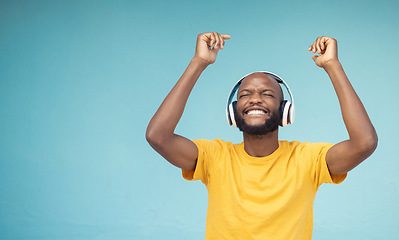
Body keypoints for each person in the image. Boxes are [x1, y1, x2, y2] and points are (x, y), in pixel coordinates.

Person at [145, 32, 378, 240]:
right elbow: (158, 136)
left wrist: (333, 66)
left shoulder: (308, 159)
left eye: (267, 94)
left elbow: (364, 143)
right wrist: (199, 62)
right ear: (233, 111)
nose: (255, 99)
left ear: (286, 111)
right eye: (245, 94)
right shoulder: (215, 156)